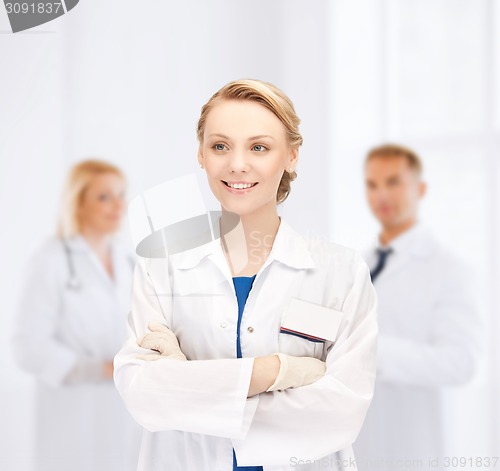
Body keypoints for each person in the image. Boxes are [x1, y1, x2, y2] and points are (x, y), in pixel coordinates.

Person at [114, 79, 378, 471]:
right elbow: (144, 396)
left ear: (291, 156)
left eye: (259, 147)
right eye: (220, 146)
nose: (237, 164)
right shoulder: (161, 266)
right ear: (201, 154)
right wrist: (275, 372)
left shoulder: (340, 272)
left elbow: (340, 412)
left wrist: (189, 384)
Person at [353, 144, 480, 471]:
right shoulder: (357, 266)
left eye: (394, 182)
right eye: (372, 184)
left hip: (414, 447)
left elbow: (460, 362)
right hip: (358, 442)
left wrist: (371, 351)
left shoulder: (450, 268)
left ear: (420, 189)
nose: (381, 194)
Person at [12, 160, 141, 471]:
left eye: (121, 195)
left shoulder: (128, 261)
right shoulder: (50, 259)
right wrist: (96, 369)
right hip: (71, 411)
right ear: (78, 202)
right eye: (104, 197)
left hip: (124, 411)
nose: (118, 205)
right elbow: (26, 347)